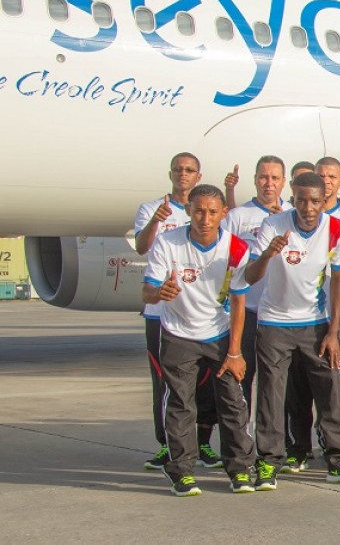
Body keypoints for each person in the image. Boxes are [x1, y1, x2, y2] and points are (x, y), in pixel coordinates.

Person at [244, 171, 340, 488]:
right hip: (273, 323)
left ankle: (339, 458)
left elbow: (338, 280)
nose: (308, 208)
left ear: (325, 201)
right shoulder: (273, 225)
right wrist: (269, 253)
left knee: (331, 391)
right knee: (271, 394)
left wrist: (333, 331)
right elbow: (251, 276)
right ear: (291, 198)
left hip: (315, 323)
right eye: (301, 201)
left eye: (315, 201)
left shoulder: (336, 229)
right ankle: (268, 460)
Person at [141, 184, 259, 496]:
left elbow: (238, 303)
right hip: (178, 334)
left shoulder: (236, 248)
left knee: (233, 400)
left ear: (223, 214)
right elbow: (147, 291)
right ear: (189, 212)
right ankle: (181, 471)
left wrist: (235, 351)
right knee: (181, 403)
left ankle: (240, 468)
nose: (204, 218)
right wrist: (159, 292)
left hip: (219, 335)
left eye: (211, 212)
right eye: (198, 211)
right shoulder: (167, 243)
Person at [134, 152, 219, 470]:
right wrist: (157, 220)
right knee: (165, 383)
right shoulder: (152, 209)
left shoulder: (205, 211)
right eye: (178, 170)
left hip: (203, 314)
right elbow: (142, 247)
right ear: (170, 174)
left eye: (189, 170)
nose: (183, 174)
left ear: (198, 175)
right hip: (162, 313)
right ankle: (167, 445)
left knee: (206, 381)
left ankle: (204, 444)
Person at [221, 155, 286, 403]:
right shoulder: (238, 216)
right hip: (246, 311)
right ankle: (241, 438)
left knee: (276, 385)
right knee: (241, 380)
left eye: (274, 178)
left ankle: (277, 440)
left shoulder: (293, 213)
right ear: (255, 180)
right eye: (263, 177)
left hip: (279, 315)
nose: (268, 183)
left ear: (283, 182)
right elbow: (223, 260)